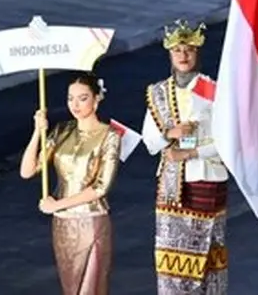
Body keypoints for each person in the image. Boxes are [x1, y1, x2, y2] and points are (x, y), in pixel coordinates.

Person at [140, 20, 229, 294]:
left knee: (207, 256)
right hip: (171, 186)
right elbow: (150, 141)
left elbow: (227, 141)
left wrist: (190, 152)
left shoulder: (213, 90)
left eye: (188, 49)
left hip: (206, 179)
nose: (183, 55)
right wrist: (171, 133)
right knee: (172, 259)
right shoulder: (158, 93)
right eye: (177, 50)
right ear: (170, 54)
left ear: (197, 52)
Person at [20, 72, 121, 295]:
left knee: (91, 287)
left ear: (96, 99)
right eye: (70, 98)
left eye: (82, 98)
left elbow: (101, 187)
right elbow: (27, 171)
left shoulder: (110, 135)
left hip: (91, 220)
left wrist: (57, 204)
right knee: (70, 288)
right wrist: (37, 132)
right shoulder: (61, 131)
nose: (75, 105)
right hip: (63, 224)